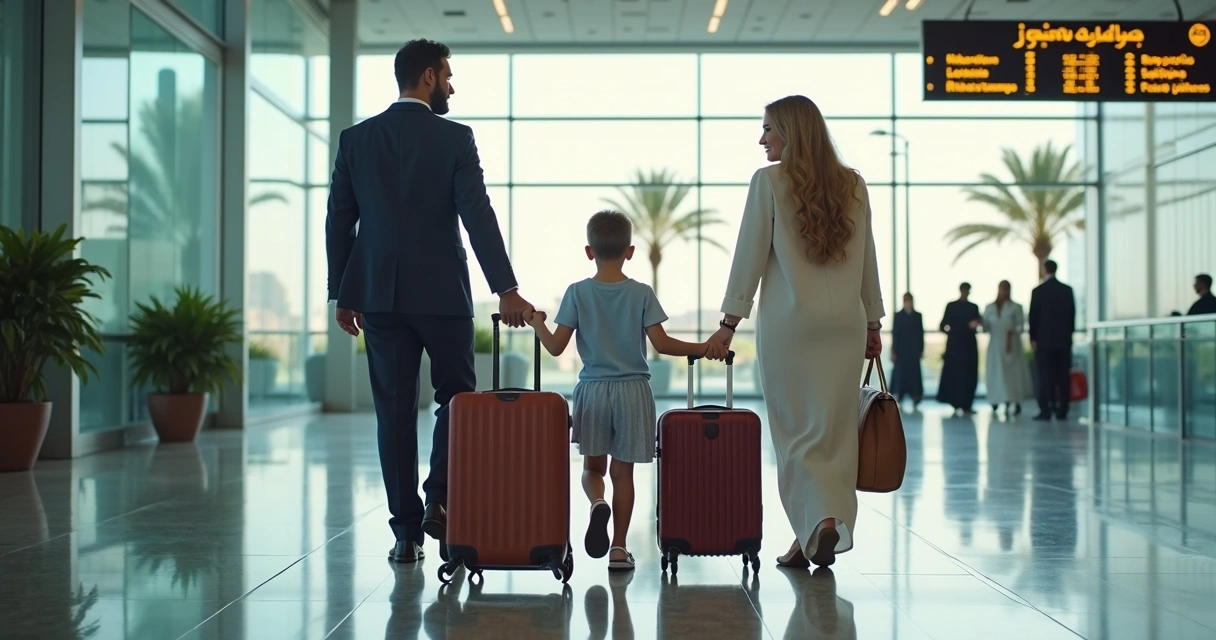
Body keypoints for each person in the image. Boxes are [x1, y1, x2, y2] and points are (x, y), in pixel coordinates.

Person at [325, 39, 534, 564]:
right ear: (426, 78)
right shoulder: (455, 139)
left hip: (378, 297)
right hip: (442, 295)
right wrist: (505, 287)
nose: (451, 85)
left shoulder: (356, 140)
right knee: (458, 400)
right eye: (446, 75)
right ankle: (439, 498)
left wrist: (342, 292)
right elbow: (477, 216)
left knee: (393, 412)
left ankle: (406, 532)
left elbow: (339, 222)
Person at [707, 95, 884, 569]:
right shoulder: (854, 184)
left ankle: (819, 523)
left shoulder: (768, 181)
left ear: (791, 131)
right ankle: (818, 528)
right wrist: (873, 320)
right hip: (844, 325)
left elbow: (749, 255)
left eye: (768, 128)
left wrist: (728, 324)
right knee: (835, 431)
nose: (762, 138)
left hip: (791, 327)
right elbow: (867, 258)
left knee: (796, 434)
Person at [527, 211, 727, 572]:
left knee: (593, 468)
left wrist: (538, 323)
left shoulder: (577, 292)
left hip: (592, 390)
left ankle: (597, 503)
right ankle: (619, 548)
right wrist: (702, 347)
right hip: (634, 392)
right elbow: (662, 344)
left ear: (589, 251)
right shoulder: (641, 293)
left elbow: (556, 347)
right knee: (624, 473)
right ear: (630, 251)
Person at [1029, 260, 1076, 421]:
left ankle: (1045, 410)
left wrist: (1033, 337)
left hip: (1044, 342)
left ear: (1044, 270)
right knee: (1063, 376)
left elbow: (1033, 317)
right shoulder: (1067, 290)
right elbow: (1072, 316)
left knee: (1045, 376)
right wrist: (1069, 335)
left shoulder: (1038, 291)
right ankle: (1063, 409)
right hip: (1063, 341)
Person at [982, 281, 1033, 416]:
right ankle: (995, 399)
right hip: (995, 344)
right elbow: (985, 326)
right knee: (995, 372)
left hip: (1011, 344)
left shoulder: (1016, 307)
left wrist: (1012, 333)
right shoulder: (990, 307)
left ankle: (1014, 400)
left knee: (1012, 374)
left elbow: (1020, 326)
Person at [937, 283, 982, 415]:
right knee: (958, 374)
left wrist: (954, 332)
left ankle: (965, 403)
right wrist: (962, 329)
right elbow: (942, 325)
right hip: (958, 346)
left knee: (967, 373)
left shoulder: (969, 307)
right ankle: (958, 403)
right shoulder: (956, 306)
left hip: (961, 346)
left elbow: (943, 326)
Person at [890, 293, 925, 408]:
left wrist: (921, 349)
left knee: (914, 373)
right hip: (901, 350)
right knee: (901, 373)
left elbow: (921, 333)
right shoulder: (898, 315)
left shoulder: (917, 315)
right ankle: (899, 394)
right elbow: (895, 334)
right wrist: (893, 350)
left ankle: (916, 395)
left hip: (914, 350)